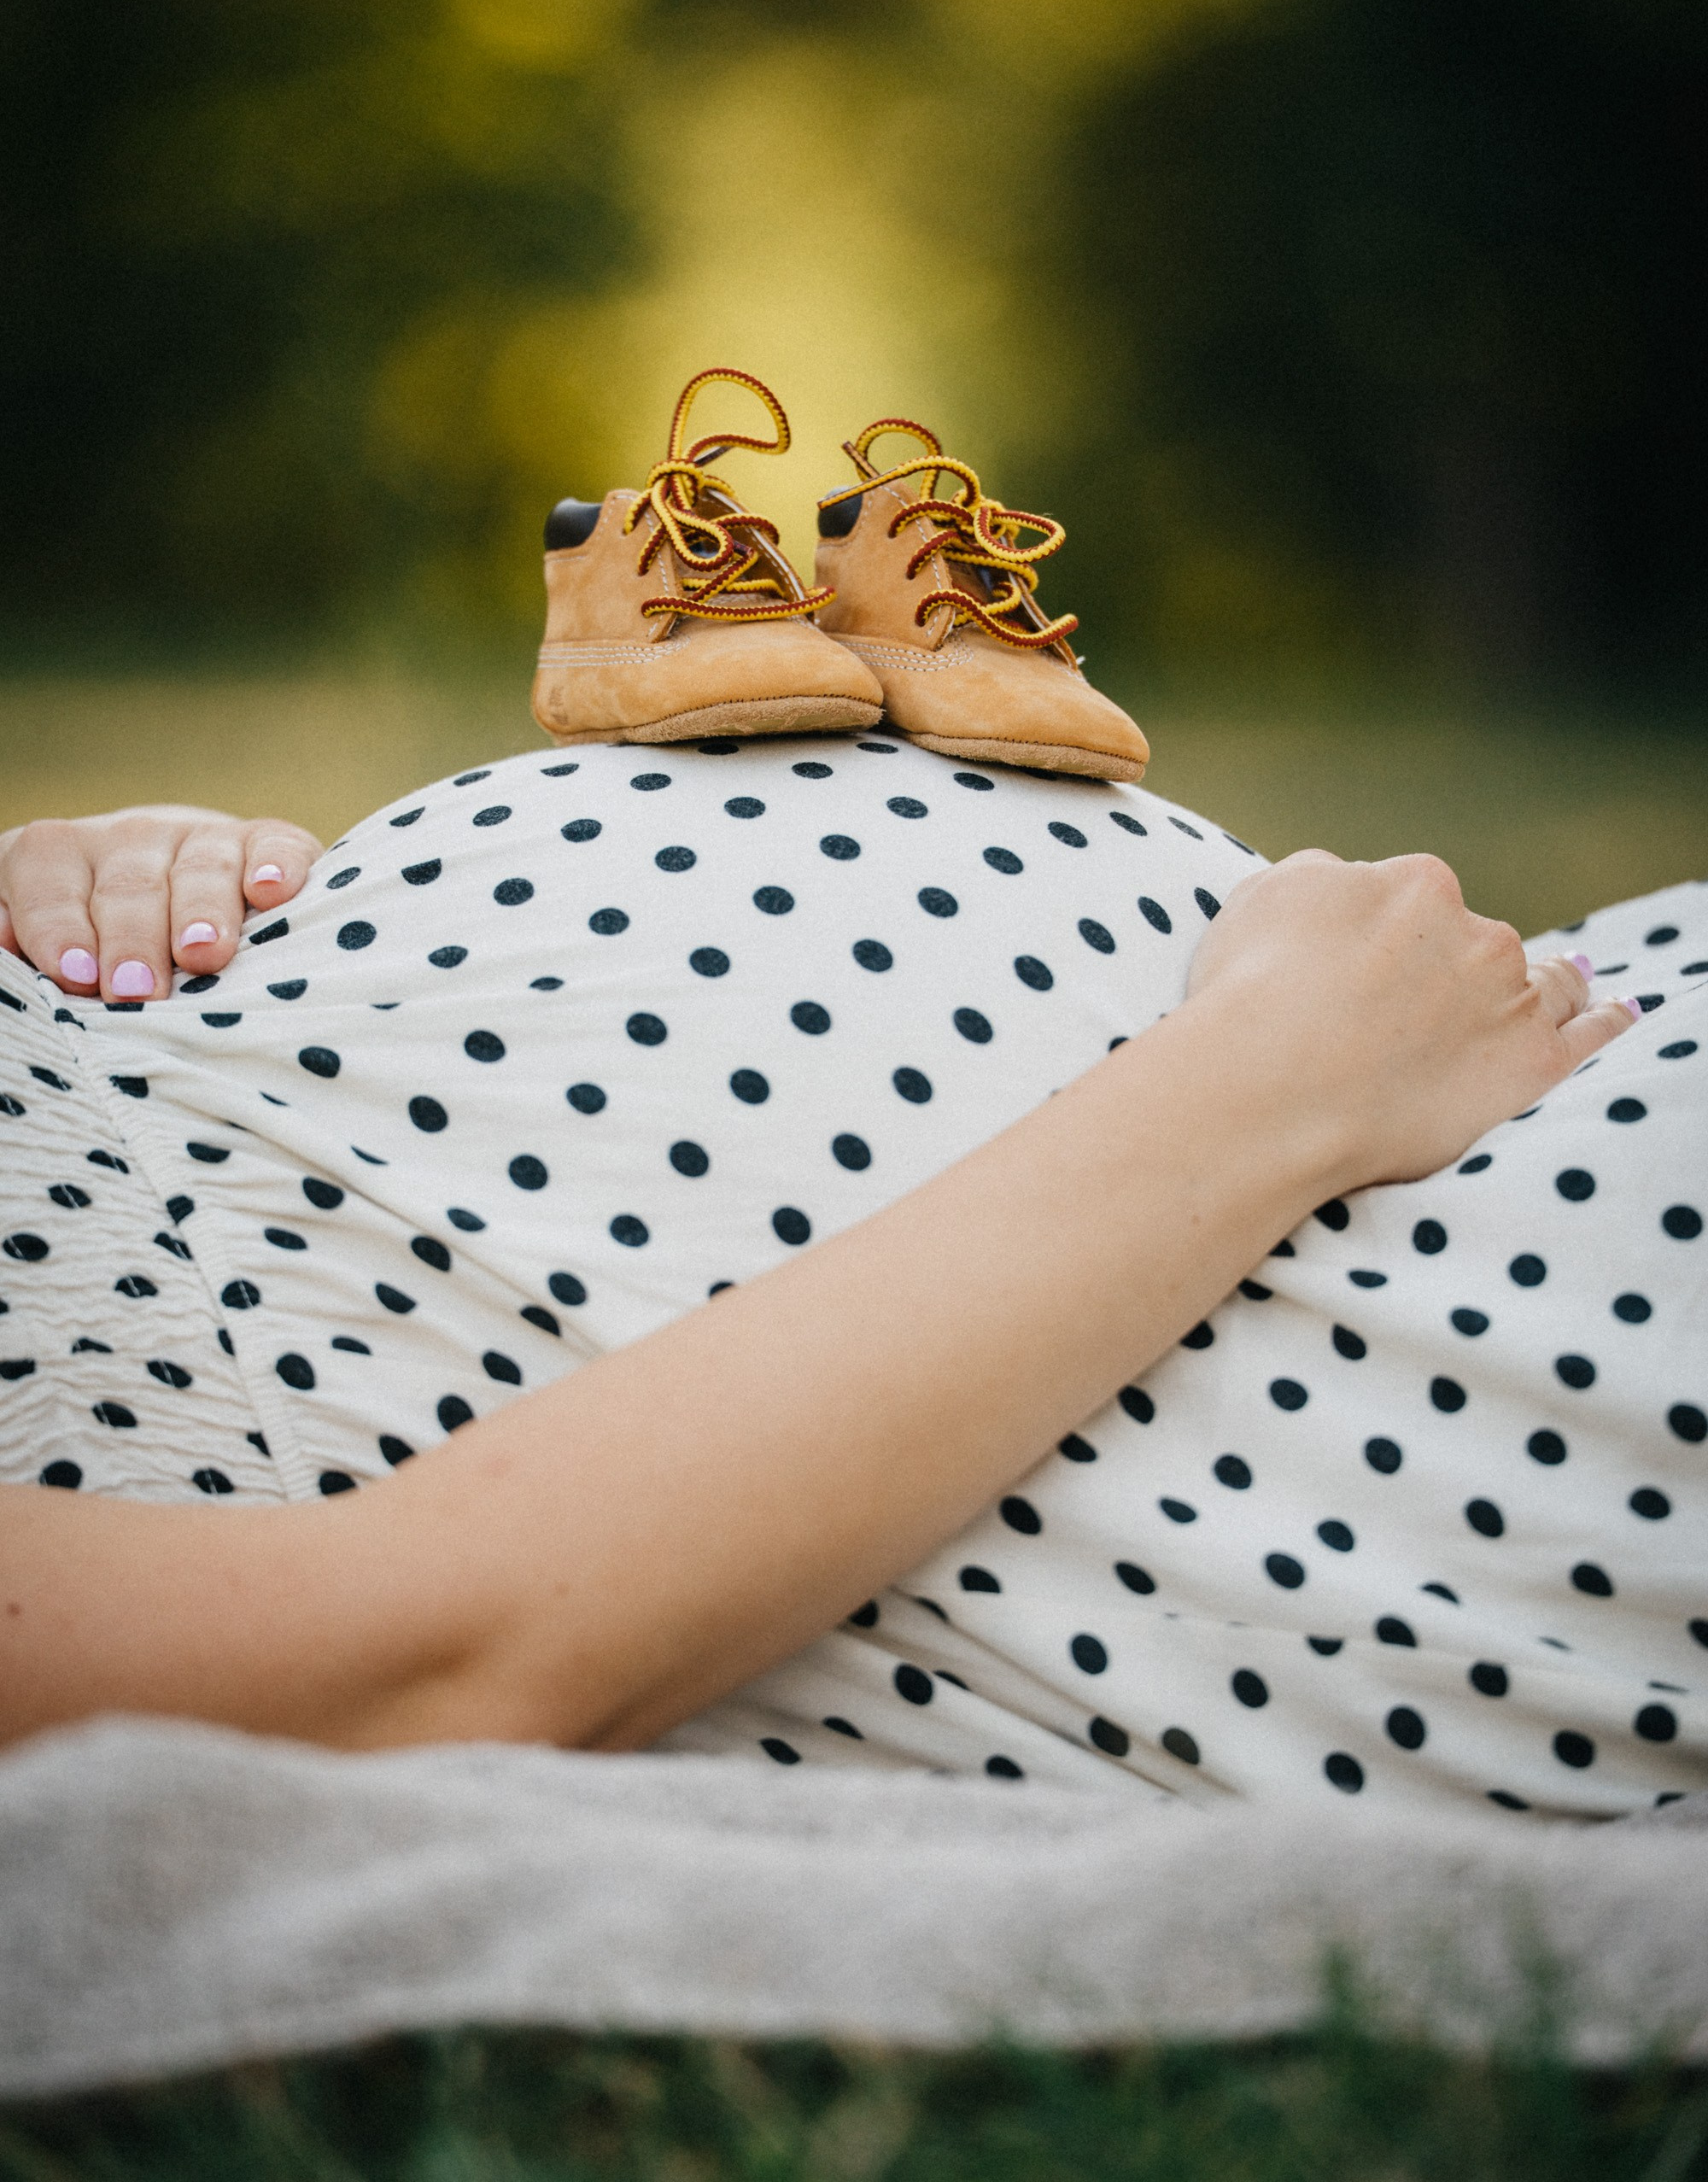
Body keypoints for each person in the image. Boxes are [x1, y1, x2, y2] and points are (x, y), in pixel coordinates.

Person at [1, 740, 1701, 1817]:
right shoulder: (1291, 1104)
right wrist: (1270, 1079)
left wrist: (138, 939)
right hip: (1418, 1350)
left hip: (1455, 1053)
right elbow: (417, 1657)